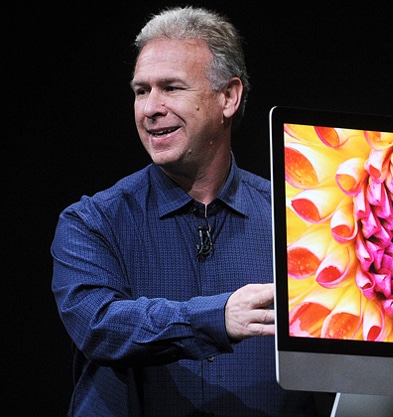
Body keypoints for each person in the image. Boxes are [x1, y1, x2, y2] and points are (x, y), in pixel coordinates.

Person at [51, 6, 318, 417]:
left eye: (171, 88)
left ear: (228, 97)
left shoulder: (297, 220)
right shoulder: (93, 222)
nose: (150, 108)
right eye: (141, 91)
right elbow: (98, 325)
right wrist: (217, 318)